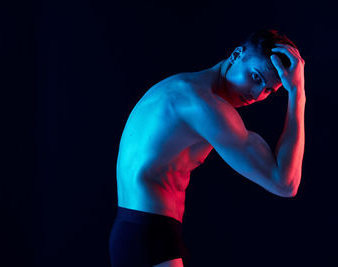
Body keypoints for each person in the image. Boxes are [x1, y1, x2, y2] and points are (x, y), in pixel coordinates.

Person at [109, 29, 306, 267]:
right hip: (149, 236)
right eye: (255, 77)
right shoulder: (203, 105)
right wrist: (297, 93)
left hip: (139, 232)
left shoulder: (181, 86)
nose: (256, 94)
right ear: (236, 55)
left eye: (268, 90)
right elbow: (285, 183)